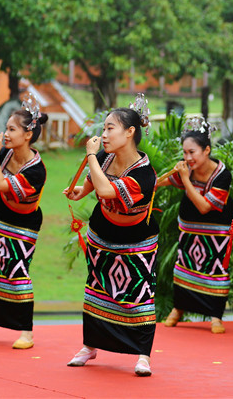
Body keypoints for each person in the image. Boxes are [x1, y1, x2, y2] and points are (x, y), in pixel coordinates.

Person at [64, 94, 158, 376]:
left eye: (109, 128)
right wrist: (79, 192)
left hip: (137, 239)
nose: (103, 134)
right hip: (102, 231)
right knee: (96, 287)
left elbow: (107, 190)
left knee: (138, 293)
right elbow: (93, 184)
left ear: (130, 132)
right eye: (103, 129)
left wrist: (91, 154)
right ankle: (90, 345)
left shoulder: (144, 175)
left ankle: (142, 354)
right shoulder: (105, 157)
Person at [0, 96, 48, 349]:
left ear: (28, 135)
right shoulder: (6, 154)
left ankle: (26, 331)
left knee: (17, 273)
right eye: (6, 128)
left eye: (12, 129)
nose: (5, 133)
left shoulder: (36, 170)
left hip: (22, 224)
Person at [158, 116, 233, 334]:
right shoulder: (187, 171)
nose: (187, 157)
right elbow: (161, 182)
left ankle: (215, 316)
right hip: (189, 230)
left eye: (192, 152)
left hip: (216, 233)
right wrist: (146, 183)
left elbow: (203, 206)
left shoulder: (222, 175)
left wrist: (185, 180)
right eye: (184, 152)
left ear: (207, 150)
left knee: (216, 270)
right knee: (184, 266)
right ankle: (178, 309)